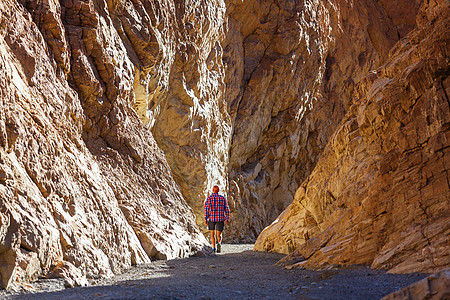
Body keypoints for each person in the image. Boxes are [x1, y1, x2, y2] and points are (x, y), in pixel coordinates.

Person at [204, 185, 230, 253]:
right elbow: (226, 208)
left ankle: (214, 247)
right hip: (220, 218)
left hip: (212, 218)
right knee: (219, 234)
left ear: (213, 190)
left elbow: (206, 209)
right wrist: (227, 217)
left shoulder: (209, 198)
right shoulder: (222, 198)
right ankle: (219, 243)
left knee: (212, 233)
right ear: (218, 191)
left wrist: (206, 218)